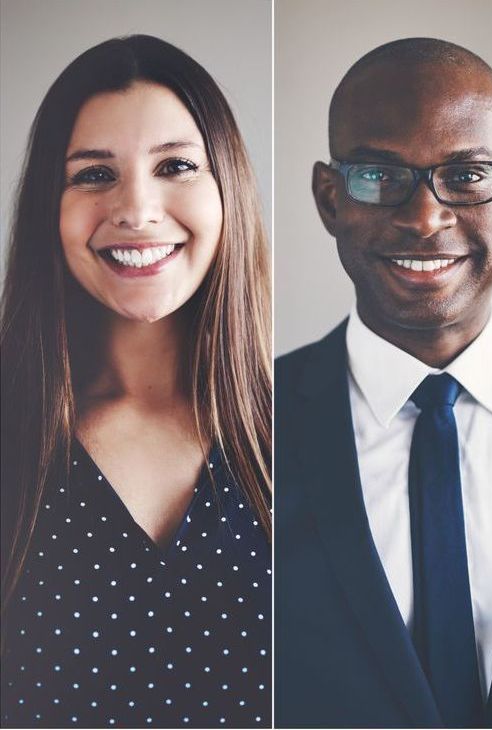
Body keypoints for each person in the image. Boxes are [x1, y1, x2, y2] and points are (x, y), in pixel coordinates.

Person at [0, 35, 272, 727]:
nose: (137, 209)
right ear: (47, 208)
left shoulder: (321, 431)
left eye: (176, 165)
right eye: (94, 174)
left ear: (227, 190)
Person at [273, 38, 492, 729]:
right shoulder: (241, 422)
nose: (425, 219)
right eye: (378, 175)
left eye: (465, 177)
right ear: (329, 198)